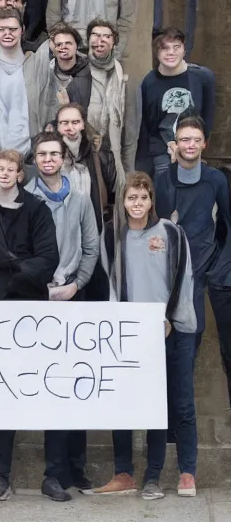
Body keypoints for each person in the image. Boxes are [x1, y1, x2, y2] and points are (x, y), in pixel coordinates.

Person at [94, 172, 197, 499]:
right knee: (123, 403)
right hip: (131, 333)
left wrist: (169, 319)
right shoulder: (115, 236)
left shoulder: (170, 233)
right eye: (131, 198)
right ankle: (123, 472)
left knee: (168, 404)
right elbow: (110, 281)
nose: (137, 204)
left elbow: (183, 279)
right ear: (122, 202)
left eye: (143, 197)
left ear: (152, 200)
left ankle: (160, 475)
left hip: (171, 331)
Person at [0, 148, 59, 503]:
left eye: (11, 169)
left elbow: (49, 258)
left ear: (21, 174)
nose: (4, 173)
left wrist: (10, 268)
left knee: (49, 388)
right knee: (3, 393)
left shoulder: (37, 210)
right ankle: (0, 476)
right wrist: (17, 262)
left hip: (33, 311)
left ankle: (53, 475)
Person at [25, 131, 98, 501]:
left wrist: (76, 284)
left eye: (54, 153)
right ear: (35, 160)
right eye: (42, 154)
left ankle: (76, 467)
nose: (49, 159)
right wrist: (43, 288)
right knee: (53, 385)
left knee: (77, 383)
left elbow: (91, 247)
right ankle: (53, 472)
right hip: (39, 300)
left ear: (64, 158)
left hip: (73, 295)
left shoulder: (81, 199)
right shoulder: (27, 200)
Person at [158, 117, 231, 430]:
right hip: (173, 279)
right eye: (183, 139)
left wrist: (220, 269)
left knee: (208, 346)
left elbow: (226, 222)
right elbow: (158, 227)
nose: (189, 145)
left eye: (195, 140)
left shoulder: (216, 180)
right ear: (175, 144)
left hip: (205, 272)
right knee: (176, 354)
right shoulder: (163, 179)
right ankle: (172, 428)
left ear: (205, 144)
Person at [0, 9, 52, 168]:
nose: (7, 34)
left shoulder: (35, 65)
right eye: (1, 29)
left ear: (22, 30)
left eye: (13, 29)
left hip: (31, 157)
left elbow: (47, 109)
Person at [135, 27, 216, 186]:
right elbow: (148, 126)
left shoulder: (201, 77)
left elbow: (208, 116)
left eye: (176, 47)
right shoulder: (149, 83)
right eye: (164, 48)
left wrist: (193, 145)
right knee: (165, 194)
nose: (171, 52)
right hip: (161, 151)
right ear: (156, 52)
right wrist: (169, 146)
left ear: (184, 49)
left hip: (191, 146)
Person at [53, 102, 117, 301]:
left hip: (93, 234)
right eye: (64, 123)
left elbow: (112, 193)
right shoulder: (49, 157)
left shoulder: (100, 156)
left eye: (75, 122)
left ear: (83, 125)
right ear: (57, 127)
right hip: (61, 239)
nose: (70, 127)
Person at [85, 18, 138, 181]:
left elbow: (130, 127)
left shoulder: (122, 75)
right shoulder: (79, 70)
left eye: (106, 36)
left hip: (113, 154)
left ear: (114, 43)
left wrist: (128, 168)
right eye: (95, 35)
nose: (100, 40)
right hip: (85, 152)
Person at [34, 22, 91, 118]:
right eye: (59, 44)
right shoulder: (48, 69)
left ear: (76, 46)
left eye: (68, 43)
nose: (63, 47)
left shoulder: (88, 72)